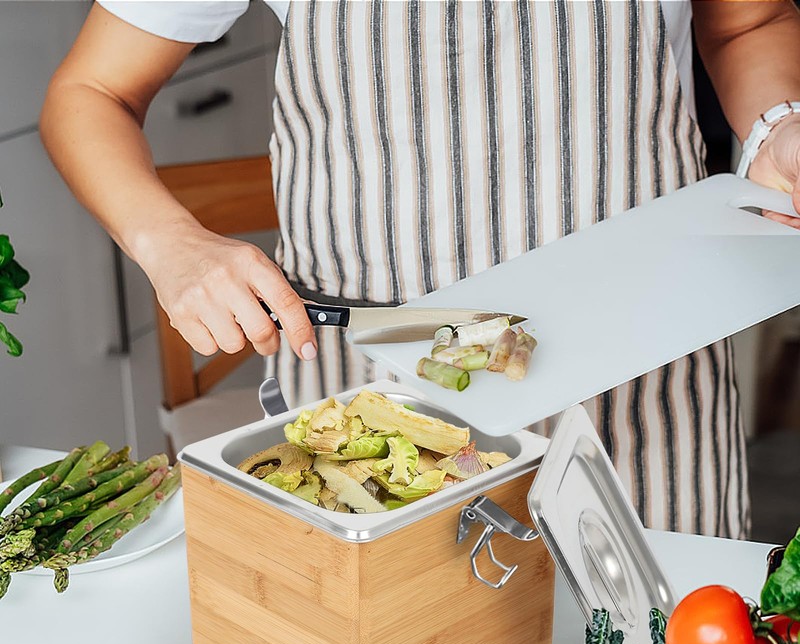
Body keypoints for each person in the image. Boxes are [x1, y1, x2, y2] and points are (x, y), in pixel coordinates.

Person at [40, 0, 800, 540]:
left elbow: (748, 20)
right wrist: (169, 243)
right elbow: (91, 92)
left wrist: (777, 125)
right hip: (373, 391)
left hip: (643, 386)